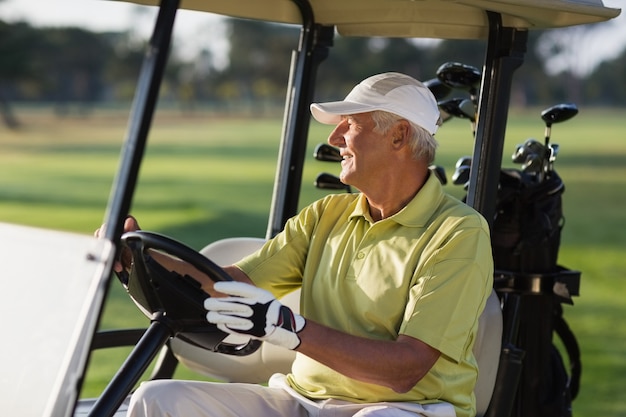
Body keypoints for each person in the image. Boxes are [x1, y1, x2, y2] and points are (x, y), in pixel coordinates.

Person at [116, 72, 494, 417]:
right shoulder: (326, 214)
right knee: (158, 400)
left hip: (407, 409)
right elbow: (226, 285)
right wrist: (139, 261)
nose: (334, 139)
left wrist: (292, 330)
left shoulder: (459, 232)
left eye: (350, 124)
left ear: (398, 135)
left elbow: (405, 370)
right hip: (302, 400)